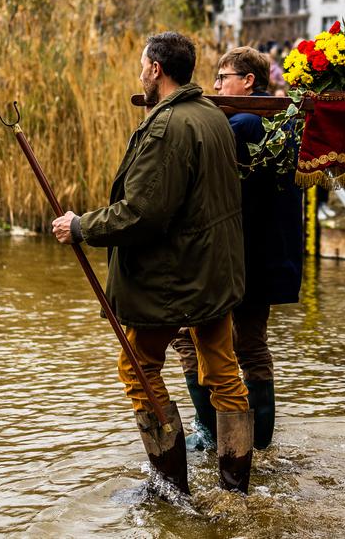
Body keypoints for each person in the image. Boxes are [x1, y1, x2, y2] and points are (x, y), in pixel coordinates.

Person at [50, 31, 254, 495]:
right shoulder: (211, 115)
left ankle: (169, 486)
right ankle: (235, 489)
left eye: (143, 64)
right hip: (214, 274)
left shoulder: (168, 127)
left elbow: (143, 212)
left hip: (179, 277)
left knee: (137, 366)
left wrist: (81, 227)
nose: (140, 70)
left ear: (156, 69)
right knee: (223, 372)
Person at [173, 47, 303, 452]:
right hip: (266, 255)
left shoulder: (243, 122)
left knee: (188, 337)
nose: (215, 85)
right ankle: (259, 444)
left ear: (248, 81)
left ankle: (213, 433)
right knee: (252, 345)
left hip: (234, 255)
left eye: (223, 76)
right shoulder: (278, 123)